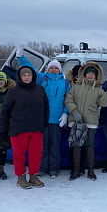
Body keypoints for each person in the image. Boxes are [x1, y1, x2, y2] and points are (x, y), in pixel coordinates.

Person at [16, 43, 70, 178]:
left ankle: (54, 169)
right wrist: (20, 57)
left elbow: (68, 100)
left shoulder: (65, 83)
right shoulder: (42, 78)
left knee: (55, 146)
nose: (53, 70)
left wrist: (65, 113)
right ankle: (42, 167)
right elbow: (30, 70)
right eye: (51, 68)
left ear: (60, 70)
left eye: (55, 68)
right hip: (43, 119)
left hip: (57, 120)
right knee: (42, 146)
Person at [0, 66, 49, 189]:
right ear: (20, 77)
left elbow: (46, 108)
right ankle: (21, 177)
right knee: (19, 155)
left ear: (33, 77)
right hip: (18, 129)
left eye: (29, 75)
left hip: (36, 129)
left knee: (36, 155)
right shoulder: (13, 91)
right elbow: (5, 111)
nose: (27, 77)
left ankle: (33, 176)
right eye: (24, 75)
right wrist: (3, 128)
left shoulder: (40, 89)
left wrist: (43, 124)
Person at [65, 61, 107, 181]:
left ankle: (91, 170)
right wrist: (75, 113)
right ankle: (76, 170)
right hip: (76, 121)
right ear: (84, 74)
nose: (90, 76)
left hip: (91, 122)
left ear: (96, 76)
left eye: (93, 74)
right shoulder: (76, 87)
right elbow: (68, 100)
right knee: (76, 145)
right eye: (89, 74)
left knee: (89, 145)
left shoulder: (98, 90)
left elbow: (103, 103)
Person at [65, 64, 88, 176]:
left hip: (85, 119)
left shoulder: (88, 85)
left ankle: (82, 166)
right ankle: (74, 167)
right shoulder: (69, 85)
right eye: (76, 74)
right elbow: (68, 100)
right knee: (73, 143)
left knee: (83, 143)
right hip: (73, 118)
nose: (78, 77)